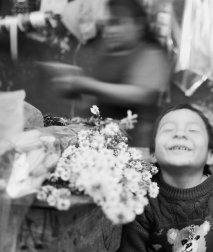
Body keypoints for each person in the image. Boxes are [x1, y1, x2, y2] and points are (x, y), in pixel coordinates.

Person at [110, 103, 213, 252]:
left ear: (210, 155)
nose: (180, 134)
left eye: (193, 130)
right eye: (168, 130)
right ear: (153, 154)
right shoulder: (143, 195)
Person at [51, 0, 170, 147]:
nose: (109, 31)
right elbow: (97, 96)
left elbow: (141, 94)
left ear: (138, 24)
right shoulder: (108, 53)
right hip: (104, 142)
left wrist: (87, 85)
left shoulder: (150, 54)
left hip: (136, 146)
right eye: (105, 25)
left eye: (117, 23)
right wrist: (74, 86)